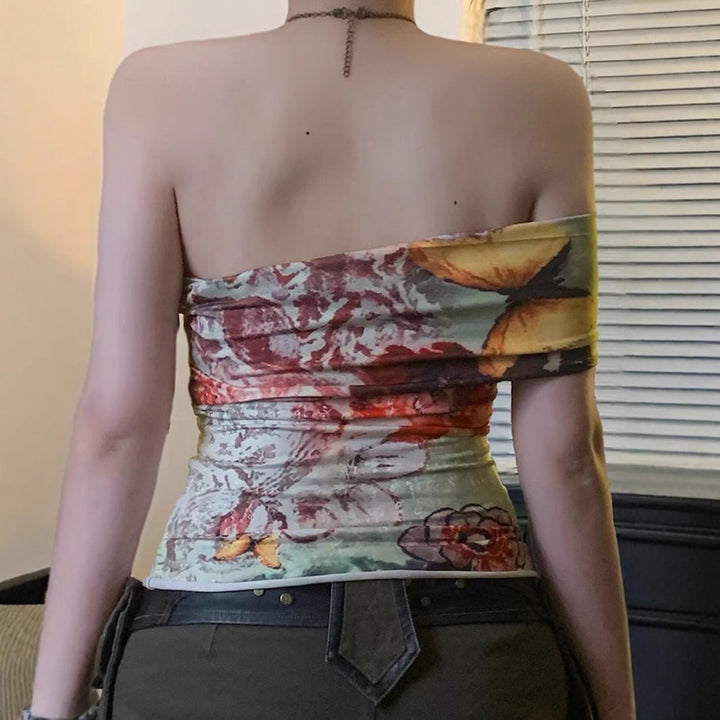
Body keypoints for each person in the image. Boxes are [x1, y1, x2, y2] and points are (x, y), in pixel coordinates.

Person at [23, 2, 637, 719]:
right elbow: (565, 456)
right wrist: (615, 708)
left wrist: (50, 710)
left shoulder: (158, 90)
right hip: (473, 648)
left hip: (219, 649)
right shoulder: (542, 96)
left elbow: (118, 428)